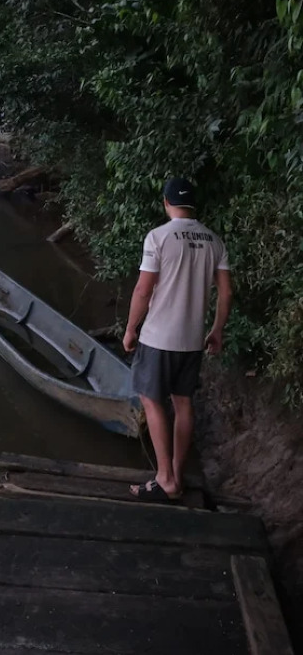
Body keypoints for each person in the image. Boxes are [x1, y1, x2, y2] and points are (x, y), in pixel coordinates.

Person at [122, 177, 232, 502]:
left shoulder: (158, 237)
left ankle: (165, 478)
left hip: (159, 337)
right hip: (192, 339)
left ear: (166, 203)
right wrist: (217, 329)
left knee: (150, 399)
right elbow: (226, 291)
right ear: (192, 205)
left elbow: (143, 289)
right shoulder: (214, 240)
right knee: (183, 403)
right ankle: (177, 475)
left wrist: (130, 328)